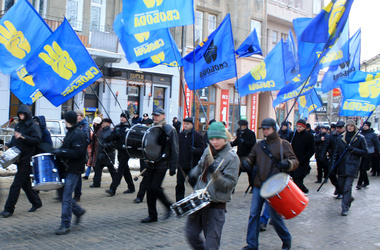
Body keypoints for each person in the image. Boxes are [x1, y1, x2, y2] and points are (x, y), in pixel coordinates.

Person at [240, 118, 299, 250]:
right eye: (263, 129)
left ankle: (286, 240)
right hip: (258, 185)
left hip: (275, 188)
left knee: (275, 217)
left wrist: (287, 164)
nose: (265, 131)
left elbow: (294, 161)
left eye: (267, 128)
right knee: (254, 215)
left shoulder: (283, 144)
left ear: (274, 128)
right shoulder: (258, 145)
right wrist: (245, 163)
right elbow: (250, 158)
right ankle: (251, 245)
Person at [185, 121, 240, 249]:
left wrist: (216, 174)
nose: (215, 142)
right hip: (199, 202)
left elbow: (229, 185)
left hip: (215, 206)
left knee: (212, 243)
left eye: (218, 139)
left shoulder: (232, 158)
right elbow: (199, 167)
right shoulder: (207, 150)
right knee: (191, 234)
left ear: (225, 138)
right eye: (212, 139)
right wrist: (192, 175)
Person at [0, 104, 42, 218]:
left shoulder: (33, 126)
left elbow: (37, 140)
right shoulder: (18, 126)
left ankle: (9, 209)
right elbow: (14, 139)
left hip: (27, 158)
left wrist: (23, 137)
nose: (22, 116)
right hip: (19, 158)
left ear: (27, 114)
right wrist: (8, 145)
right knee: (25, 184)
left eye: (23, 114)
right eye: (20, 114)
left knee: (16, 184)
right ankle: (36, 202)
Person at [141, 108, 178, 223]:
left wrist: (173, 167)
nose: (155, 118)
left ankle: (169, 206)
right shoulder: (152, 128)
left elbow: (174, 149)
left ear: (163, 116)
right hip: (151, 163)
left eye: (157, 116)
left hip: (162, 163)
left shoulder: (170, 129)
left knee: (154, 187)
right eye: (154, 116)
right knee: (149, 189)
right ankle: (152, 215)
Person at [52, 111, 87, 235]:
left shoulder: (77, 134)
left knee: (66, 197)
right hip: (67, 168)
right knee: (63, 195)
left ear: (67, 121)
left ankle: (65, 224)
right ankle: (78, 211)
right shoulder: (71, 132)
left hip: (74, 169)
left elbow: (79, 153)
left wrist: (62, 152)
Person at [331, 119, 368, 216]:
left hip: (352, 166)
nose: (350, 127)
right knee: (342, 187)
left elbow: (365, 152)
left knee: (348, 187)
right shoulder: (340, 138)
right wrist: (332, 166)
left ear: (354, 127)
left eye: (352, 126)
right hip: (342, 166)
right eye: (349, 126)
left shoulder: (360, 138)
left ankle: (344, 207)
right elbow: (336, 153)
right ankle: (349, 199)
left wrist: (353, 149)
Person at [176, 117, 206, 202]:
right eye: (185, 124)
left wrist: (195, 150)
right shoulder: (181, 135)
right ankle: (179, 201)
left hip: (192, 164)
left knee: (194, 183)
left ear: (192, 125)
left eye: (188, 124)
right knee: (179, 184)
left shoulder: (197, 136)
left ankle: (199, 199)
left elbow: (202, 149)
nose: (185, 125)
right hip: (182, 164)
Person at [106, 112, 135, 196]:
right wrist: (116, 135)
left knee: (120, 170)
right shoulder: (118, 127)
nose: (122, 119)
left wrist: (122, 136)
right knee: (125, 169)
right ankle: (131, 187)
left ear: (127, 118)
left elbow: (132, 138)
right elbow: (111, 138)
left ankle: (113, 188)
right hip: (119, 150)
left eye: (124, 117)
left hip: (127, 151)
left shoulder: (130, 127)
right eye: (121, 117)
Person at [290, 119, 315, 194]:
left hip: (303, 162)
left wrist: (304, 159)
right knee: (294, 178)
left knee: (299, 179)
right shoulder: (293, 135)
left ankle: (297, 196)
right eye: (297, 126)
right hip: (294, 161)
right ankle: (304, 190)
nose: (298, 128)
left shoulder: (309, 136)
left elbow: (311, 149)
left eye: (300, 127)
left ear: (304, 127)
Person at [90, 118, 116, 188]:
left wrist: (105, 146)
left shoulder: (111, 132)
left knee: (111, 170)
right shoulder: (101, 131)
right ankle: (96, 183)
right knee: (98, 169)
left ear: (108, 124)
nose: (103, 123)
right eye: (103, 122)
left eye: (104, 122)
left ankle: (116, 181)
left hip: (108, 154)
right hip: (100, 154)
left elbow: (113, 144)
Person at [323, 120, 346, 199]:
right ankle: (337, 186)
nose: (338, 129)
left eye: (340, 128)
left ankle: (341, 191)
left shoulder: (345, 136)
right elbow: (327, 145)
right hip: (333, 157)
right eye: (337, 128)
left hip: (343, 159)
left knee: (341, 176)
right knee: (331, 174)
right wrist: (324, 153)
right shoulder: (332, 135)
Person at [231, 119, 256, 187]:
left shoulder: (251, 133)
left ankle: (252, 186)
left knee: (249, 172)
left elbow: (253, 143)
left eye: (240, 125)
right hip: (239, 155)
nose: (239, 127)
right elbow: (237, 142)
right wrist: (231, 144)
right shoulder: (239, 133)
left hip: (248, 156)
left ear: (245, 126)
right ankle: (232, 187)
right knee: (237, 172)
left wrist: (244, 141)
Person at [134, 118, 154, 203]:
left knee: (150, 183)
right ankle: (140, 197)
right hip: (144, 158)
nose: (146, 126)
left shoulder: (154, 133)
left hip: (152, 159)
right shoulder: (143, 133)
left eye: (147, 125)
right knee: (145, 180)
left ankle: (141, 197)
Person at [74, 109, 91, 202]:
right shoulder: (74, 125)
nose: (79, 117)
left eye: (81, 115)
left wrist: (77, 144)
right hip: (73, 153)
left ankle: (77, 194)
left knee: (78, 175)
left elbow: (87, 140)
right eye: (77, 115)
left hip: (81, 154)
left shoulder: (85, 126)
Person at [356, 121, 380, 189]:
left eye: (366, 125)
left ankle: (359, 183)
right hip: (361, 152)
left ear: (369, 126)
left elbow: (377, 143)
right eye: (363, 125)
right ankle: (366, 181)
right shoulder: (360, 133)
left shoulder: (372, 134)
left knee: (363, 168)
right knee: (361, 168)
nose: (364, 126)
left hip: (369, 152)